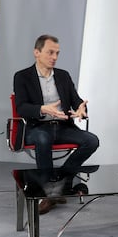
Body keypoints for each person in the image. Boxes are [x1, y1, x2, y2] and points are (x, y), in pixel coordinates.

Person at [14, 34, 100, 214]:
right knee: (43, 139)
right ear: (36, 52)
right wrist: (43, 109)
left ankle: (59, 180)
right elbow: (21, 108)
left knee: (92, 141)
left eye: (57, 53)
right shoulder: (22, 76)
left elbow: (76, 100)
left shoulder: (63, 75)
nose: (54, 57)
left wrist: (81, 110)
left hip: (62, 126)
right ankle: (48, 193)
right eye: (50, 52)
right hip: (36, 127)